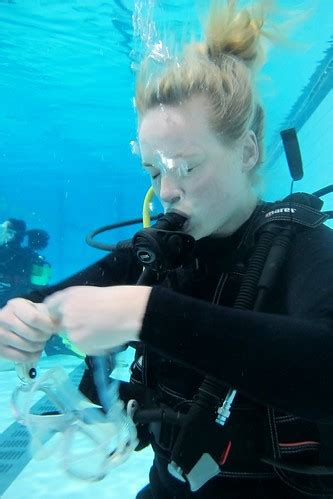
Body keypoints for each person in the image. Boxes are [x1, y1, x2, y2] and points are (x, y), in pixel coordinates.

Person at [0, 1, 333, 497]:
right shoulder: (156, 253)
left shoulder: (302, 248)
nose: (168, 192)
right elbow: (47, 305)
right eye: (155, 172)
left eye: (187, 166)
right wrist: (20, 320)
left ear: (246, 151)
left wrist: (145, 312)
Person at [0, 220, 51, 307]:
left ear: (11, 235)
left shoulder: (35, 260)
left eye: (3, 230)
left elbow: (41, 292)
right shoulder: (35, 259)